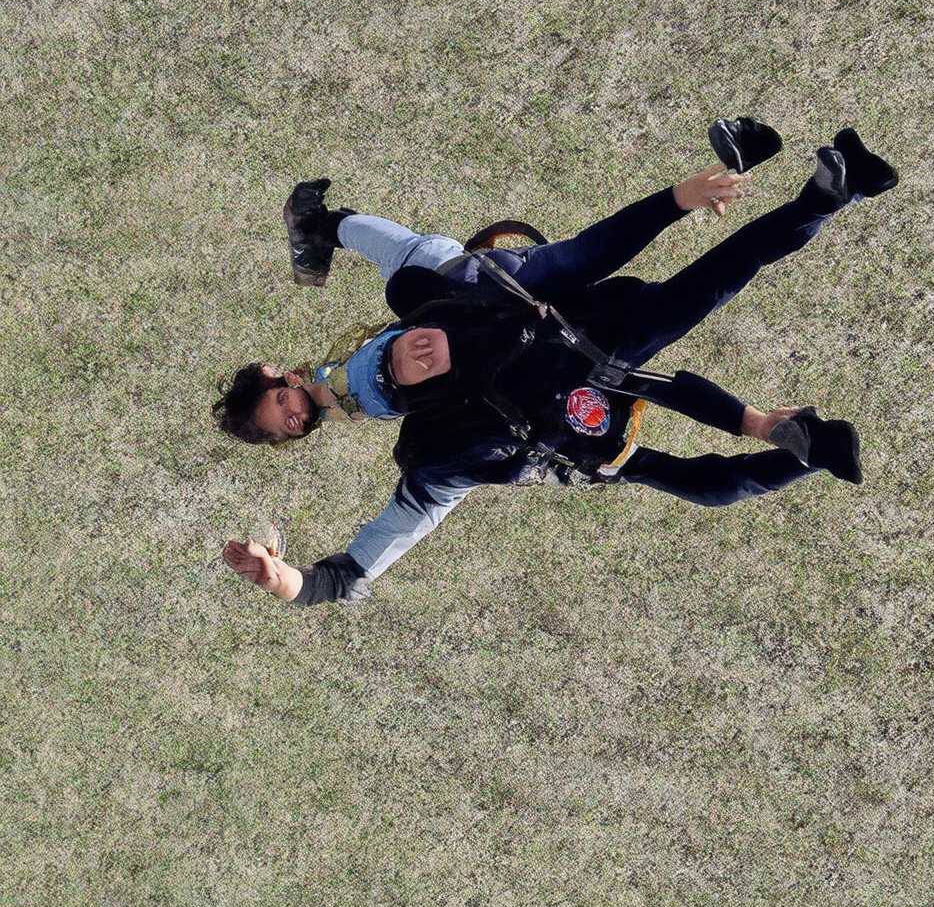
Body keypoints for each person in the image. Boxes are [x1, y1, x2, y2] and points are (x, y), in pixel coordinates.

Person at [213, 124, 898, 610]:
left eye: (279, 409)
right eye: (287, 428)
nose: (295, 418)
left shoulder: (463, 294)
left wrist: (676, 201)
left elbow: (582, 257)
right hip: (584, 382)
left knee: (707, 298)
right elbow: (350, 572)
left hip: (570, 342)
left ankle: (831, 199)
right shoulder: (438, 443)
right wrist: (285, 580)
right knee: (709, 308)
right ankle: (828, 205)